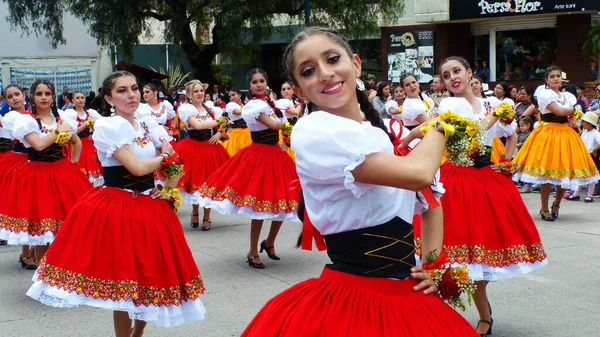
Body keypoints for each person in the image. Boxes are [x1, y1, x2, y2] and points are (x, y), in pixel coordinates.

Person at [241, 27, 479, 337]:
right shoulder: (314, 131)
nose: (325, 74)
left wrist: (433, 266)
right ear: (298, 91)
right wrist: (444, 125)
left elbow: (430, 202)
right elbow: (420, 173)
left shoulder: (377, 135)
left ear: (355, 64)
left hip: (408, 295)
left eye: (332, 59)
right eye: (309, 71)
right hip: (352, 299)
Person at [26, 71, 206, 336]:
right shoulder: (109, 127)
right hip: (119, 207)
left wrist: (167, 188)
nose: (131, 94)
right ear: (109, 98)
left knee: (153, 276)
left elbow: (176, 164)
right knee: (122, 283)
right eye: (122, 91)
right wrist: (166, 157)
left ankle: (137, 333)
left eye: (134, 88)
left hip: (151, 206)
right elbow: (136, 167)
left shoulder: (148, 125)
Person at [432, 57, 547, 336]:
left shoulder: (493, 104)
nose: (452, 78)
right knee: (444, 258)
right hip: (454, 180)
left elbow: (511, 133)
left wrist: (506, 162)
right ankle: (439, 317)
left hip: (485, 181)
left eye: (456, 71)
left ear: (470, 73)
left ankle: (484, 316)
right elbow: (471, 134)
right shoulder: (448, 105)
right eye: (446, 76)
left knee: (479, 259)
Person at [199, 68, 299, 269]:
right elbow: (272, 124)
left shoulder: (273, 103)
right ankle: (252, 251)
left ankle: (269, 242)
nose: (259, 84)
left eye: (262, 80)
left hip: (276, 155)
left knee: (284, 201)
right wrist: (294, 125)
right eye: (255, 82)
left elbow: (284, 118)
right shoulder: (254, 105)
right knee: (259, 206)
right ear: (250, 86)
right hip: (259, 155)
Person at [0, 79, 92, 266]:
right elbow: (39, 145)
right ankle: (42, 270)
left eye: (47, 94)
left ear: (53, 97)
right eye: (39, 93)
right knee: (41, 228)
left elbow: (77, 142)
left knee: (66, 223)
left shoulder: (61, 119)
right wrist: (58, 131)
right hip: (37, 175)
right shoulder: (27, 120)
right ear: (32, 97)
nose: (43, 97)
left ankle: (58, 268)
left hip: (62, 172)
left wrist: (73, 163)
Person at [513, 65, 600, 221]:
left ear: (561, 79)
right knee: (547, 173)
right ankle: (544, 207)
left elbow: (570, 116)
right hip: (548, 133)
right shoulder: (544, 94)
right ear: (547, 79)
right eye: (552, 76)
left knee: (563, 173)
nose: (555, 79)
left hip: (565, 133)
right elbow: (559, 112)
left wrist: (573, 115)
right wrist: (573, 110)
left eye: (558, 76)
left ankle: (557, 204)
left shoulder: (568, 97)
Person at [176, 80, 231, 230]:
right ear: (189, 95)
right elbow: (198, 125)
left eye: (201, 90)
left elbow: (225, 123)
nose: (200, 93)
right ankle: (195, 212)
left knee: (209, 181)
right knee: (194, 181)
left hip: (210, 147)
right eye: (196, 91)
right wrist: (218, 122)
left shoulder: (211, 109)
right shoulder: (187, 109)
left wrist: (220, 133)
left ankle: (207, 216)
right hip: (192, 148)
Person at [0, 85, 32, 253]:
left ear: (24, 94)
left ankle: (36, 248)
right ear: (7, 100)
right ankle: (25, 251)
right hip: (19, 163)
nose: (14, 98)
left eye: (17, 94)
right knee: (24, 206)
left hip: (36, 163)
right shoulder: (11, 117)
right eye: (10, 96)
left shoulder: (32, 111)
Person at [65, 91, 103, 183]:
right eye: (77, 98)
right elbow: (73, 131)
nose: (80, 100)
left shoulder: (91, 113)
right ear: (73, 100)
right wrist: (86, 124)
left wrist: (93, 131)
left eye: (82, 97)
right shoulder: (70, 114)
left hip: (89, 144)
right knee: (77, 170)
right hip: (76, 145)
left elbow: (101, 126)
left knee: (91, 172)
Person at [565, 112, 600, 202]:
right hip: (583, 156)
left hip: (591, 156)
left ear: (590, 123)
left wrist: (595, 150)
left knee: (592, 176)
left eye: (584, 122)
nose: (582, 123)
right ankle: (577, 193)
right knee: (580, 175)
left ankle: (589, 195)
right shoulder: (584, 132)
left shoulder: (595, 133)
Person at [221, 88, 252, 156]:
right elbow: (237, 112)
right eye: (230, 96)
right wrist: (252, 111)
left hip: (248, 132)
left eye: (233, 95)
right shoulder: (230, 105)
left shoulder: (244, 106)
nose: (231, 97)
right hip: (237, 134)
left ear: (239, 95)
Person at [516, 116, 534, 193]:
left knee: (526, 169)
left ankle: (528, 185)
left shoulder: (530, 134)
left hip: (528, 154)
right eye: (520, 126)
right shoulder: (520, 134)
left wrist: (522, 144)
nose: (521, 128)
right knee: (522, 169)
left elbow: (529, 143)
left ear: (528, 125)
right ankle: (524, 184)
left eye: (523, 126)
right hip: (521, 154)